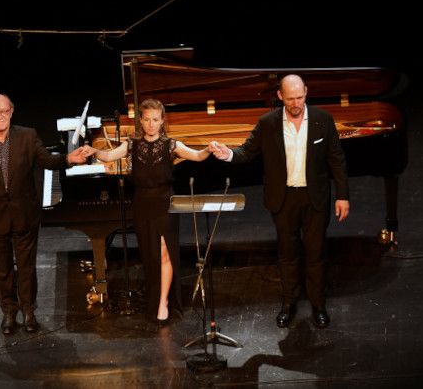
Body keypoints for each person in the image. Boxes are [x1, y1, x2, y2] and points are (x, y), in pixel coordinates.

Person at [209, 74, 349, 329]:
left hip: (315, 197)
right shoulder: (268, 124)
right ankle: (289, 303)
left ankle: (318, 305)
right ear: (280, 96)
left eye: (300, 97)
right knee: (288, 254)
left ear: (306, 92)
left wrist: (342, 196)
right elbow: (247, 151)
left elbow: (336, 159)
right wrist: (227, 154)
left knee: (316, 254)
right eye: (291, 98)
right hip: (283, 199)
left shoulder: (322, 120)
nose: (296, 103)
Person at [0, 93, 87, 335]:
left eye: (5, 111)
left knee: (27, 266)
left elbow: (47, 161)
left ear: (11, 112)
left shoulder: (27, 136)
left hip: (24, 215)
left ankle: (29, 311)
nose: (0, 116)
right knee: (1, 269)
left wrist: (69, 159)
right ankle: (9, 312)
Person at [82, 98, 212, 324]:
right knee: (150, 256)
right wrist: (93, 150)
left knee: (165, 253)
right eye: (147, 119)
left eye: (155, 120)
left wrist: (209, 149)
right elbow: (108, 156)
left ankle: (163, 302)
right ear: (140, 121)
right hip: (142, 204)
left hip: (165, 204)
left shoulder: (171, 145)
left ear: (162, 121)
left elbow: (198, 156)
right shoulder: (131, 145)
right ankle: (156, 297)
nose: (151, 124)